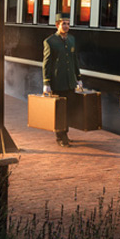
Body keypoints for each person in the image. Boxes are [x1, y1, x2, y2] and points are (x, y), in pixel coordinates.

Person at [43, 13, 83, 147]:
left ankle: (65, 132)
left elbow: (74, 60)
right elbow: (46, 63)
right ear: (57, 25)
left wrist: (78, 78)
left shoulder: (72, 39)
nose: (66, 26)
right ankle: (60, 138)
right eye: (63, 24)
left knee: (69, 109)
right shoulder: (50, 41)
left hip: (70, 81)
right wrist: (46, 82)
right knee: (60, 111)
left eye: (68, 23)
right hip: (58, 82)